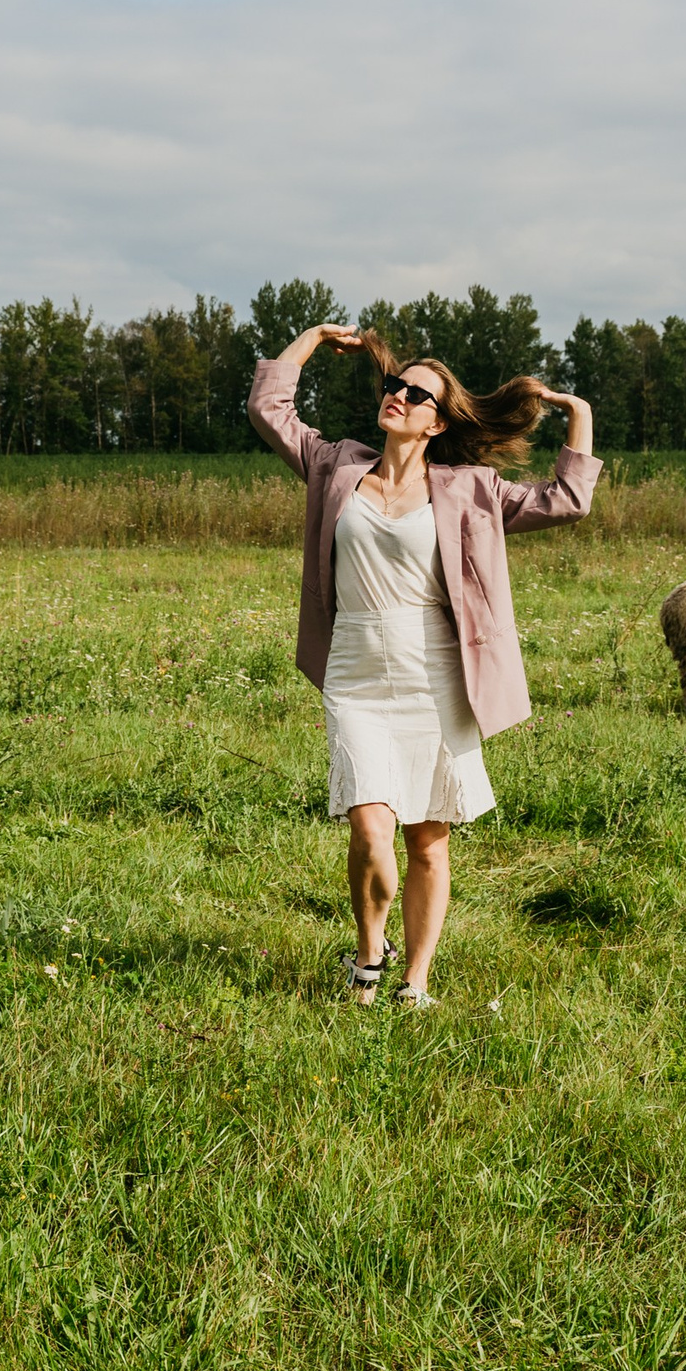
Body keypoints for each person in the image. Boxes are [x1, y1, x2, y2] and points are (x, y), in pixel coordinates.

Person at [250, 322, 599, 1006]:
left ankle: (414, 980)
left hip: (435, 674)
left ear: (438, 421)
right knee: (371, 827)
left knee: (429, 841)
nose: (398, 397)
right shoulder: (336, 466)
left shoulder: (469, 488)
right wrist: (314, 339)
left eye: (415, 394)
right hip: (353, 672)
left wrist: (578, 415)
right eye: (393, 385)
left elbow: (568, 500)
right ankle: (366, 953)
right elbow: (269, 410)